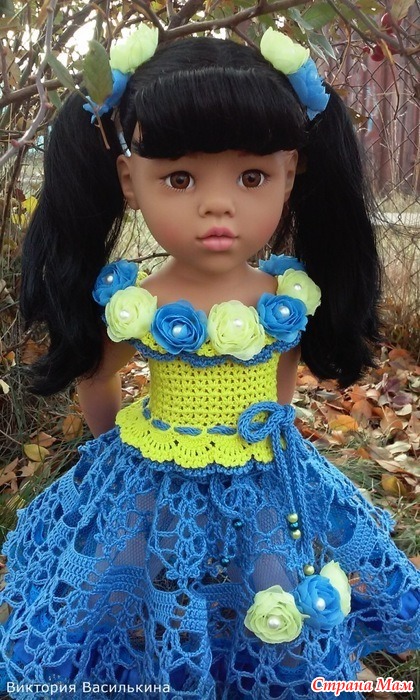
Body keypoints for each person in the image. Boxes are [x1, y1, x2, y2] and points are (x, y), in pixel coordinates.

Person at [0, 25, 418, 700]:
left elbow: (280, 383)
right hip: (151, 469)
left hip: (264, 469)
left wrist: (272, 430)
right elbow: (99, 375)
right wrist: (117, 458)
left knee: (271, 577)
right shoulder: (138, 305)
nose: (218, 204)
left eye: (253, 177)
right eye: (180, 178)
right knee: (145, 575)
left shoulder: (283, 297)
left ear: (291, 173)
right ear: (130, 181)